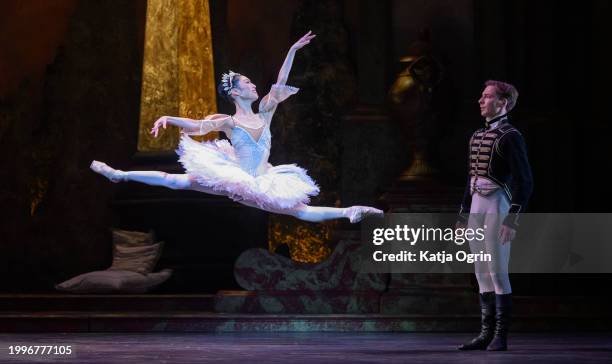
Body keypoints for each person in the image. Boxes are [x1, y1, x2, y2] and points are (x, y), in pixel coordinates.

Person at [91, 31, 383, 224]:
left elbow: (279, 84)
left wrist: (292, 50)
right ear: (235, 92)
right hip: (233, 177)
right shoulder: (229, 122)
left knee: (301, 211)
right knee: (174, 179)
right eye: (247, 82)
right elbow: (198, 126)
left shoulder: (265, 113)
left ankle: (350, 211)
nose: (253, 84)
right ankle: (118, 174)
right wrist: (170, 118)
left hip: (261, 181)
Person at [456, 80, 533, 351]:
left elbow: (525, 180)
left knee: (497, 271)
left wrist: (513, 219)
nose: (481, 100)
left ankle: (500, 335)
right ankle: (485, 333)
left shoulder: (511, 136)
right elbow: (471, 178)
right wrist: (463, 214)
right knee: (480, 271)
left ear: (502, 102)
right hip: (477, 205)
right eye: (482, 96)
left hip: (497, 205)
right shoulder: (477, 136)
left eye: (487, 96)